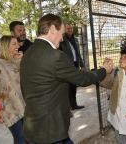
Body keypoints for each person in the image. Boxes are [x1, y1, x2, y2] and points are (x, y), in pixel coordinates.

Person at [20, 13, 113, 144]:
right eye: (61, 33)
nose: (62, 39)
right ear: (52, 29)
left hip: (33, 126)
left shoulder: (27, 53)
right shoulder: (55, 56)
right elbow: (82, 79)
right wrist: (104, 70)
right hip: (51, 130)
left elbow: (25, 88)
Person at [0, 35, 25, 144]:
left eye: (17, 43)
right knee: (20, 137)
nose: (18, 46)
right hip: (8, 108)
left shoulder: (15, 60)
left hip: (22, 104)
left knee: (27, 136)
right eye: (14, 44)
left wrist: (19, 61)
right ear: (5, 46)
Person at [59, 23, 85, 110]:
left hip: (75, 65)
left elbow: (78, 53)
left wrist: (82, 65)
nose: (69, 30)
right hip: (67, 67)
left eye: (71, 28)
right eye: (67, 28)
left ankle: (74, 105)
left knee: (73, 86)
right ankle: (68, 106)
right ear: (64, 29)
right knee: (67, 87)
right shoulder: (62, 40)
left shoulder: (75, 39)